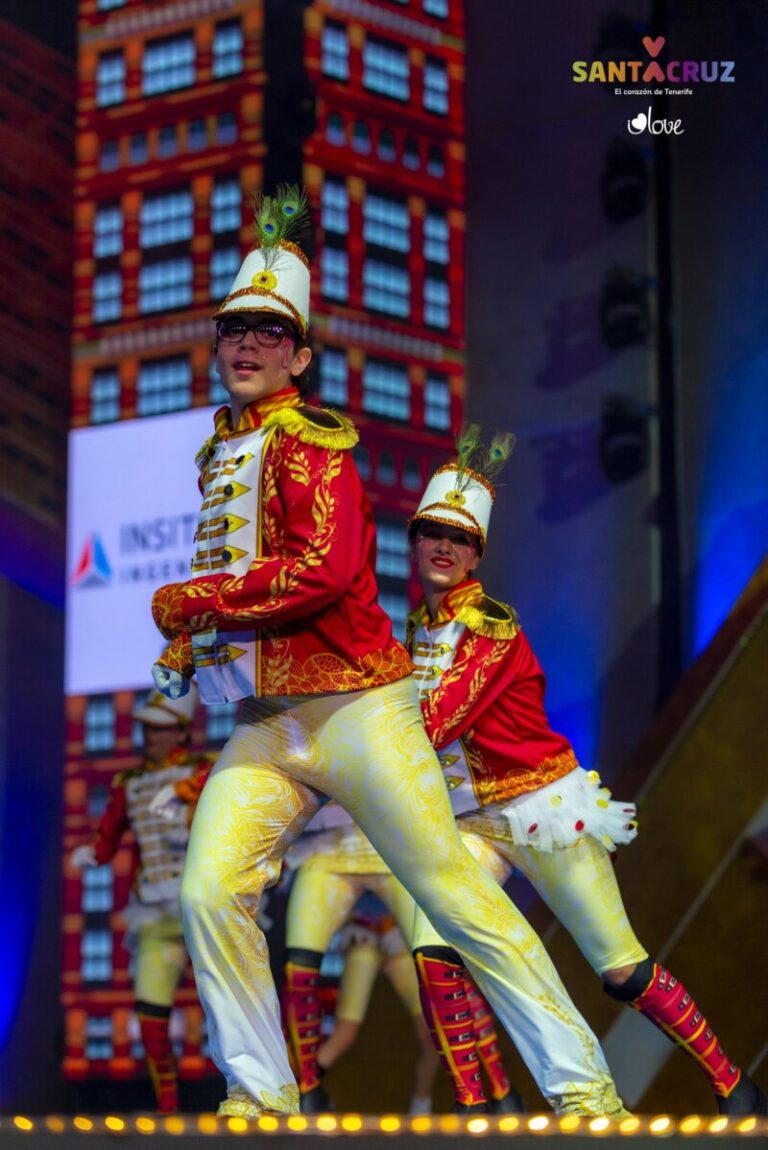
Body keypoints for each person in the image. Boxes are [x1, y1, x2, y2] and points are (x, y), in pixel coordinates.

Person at [148, 186, 630, 1120]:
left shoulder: (313, 445)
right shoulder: (223, 450)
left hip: (360, 707)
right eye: (231, 330)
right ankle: (260, 1090)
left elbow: (322, 571)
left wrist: (192, 598)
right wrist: (195, 641)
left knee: (452, 893)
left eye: (265, 332)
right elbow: (248, 581)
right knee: (209, 889)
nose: (243, 345)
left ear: (300, 354)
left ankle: (583, 1087)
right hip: (267, 720)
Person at [404, 431, 768, 1118]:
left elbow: (436, 719)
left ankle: (733, 1084)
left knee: (621, 970)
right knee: (433, 951)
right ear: (414, 543)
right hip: (472, 821)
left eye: (458, 537)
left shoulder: (492, 627)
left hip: (539, 808)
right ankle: (488, 1108)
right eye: (431, 534)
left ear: (478, 553)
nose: (443, 548)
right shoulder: (417, 627)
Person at [280, 804, 519, 1113]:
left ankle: (497, 1089)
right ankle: (308, 1090)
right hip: (330, 854)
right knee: (299, 970)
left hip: (394, 852)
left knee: (440, 968)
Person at [70, 685, 210, 1113]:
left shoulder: (203, 770)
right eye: (148, 730)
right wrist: (93, 852)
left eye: (161, 730)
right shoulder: (128, 784)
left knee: (226, 1003)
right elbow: (109, 835)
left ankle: (245, 1093)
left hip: (202, 907)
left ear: (180, 732)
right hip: (154, 909)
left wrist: (188, 791)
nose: (152, 739)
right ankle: (166, 1102)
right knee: (149, 1010)